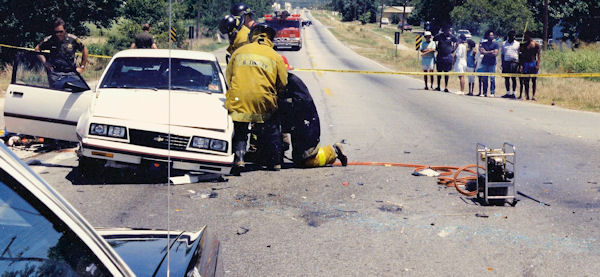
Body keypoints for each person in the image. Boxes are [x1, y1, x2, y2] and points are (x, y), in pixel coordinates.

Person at [226, 24, 287, 174]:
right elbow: (283, 83)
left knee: (240, 127)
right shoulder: (275, 56)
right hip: (263, 101)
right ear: (270, 38)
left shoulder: (238, 52)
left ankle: (239, 158)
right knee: (271, 127)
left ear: (252, 35)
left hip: (240, 98)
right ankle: (274, 162)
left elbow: (228, 77)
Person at [278, 56, 348, 168]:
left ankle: (334, 151)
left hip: (305, 124)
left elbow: (297, 107)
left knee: (306, 161)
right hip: (295, 125)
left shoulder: (293, 83)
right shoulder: (279, 84)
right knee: (298, 160)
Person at [35, 18, 88, 89]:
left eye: (60, 31)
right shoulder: (51, 39)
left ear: (65, 30)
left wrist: (82, 67)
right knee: (57, 95)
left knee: (77, 92)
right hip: (55, 73)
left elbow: (84, 49)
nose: (58, 34)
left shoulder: (72, 39)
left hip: (71, 72)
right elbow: (37, 49)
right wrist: (45, 63)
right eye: (56, 32)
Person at [433, 25, 457, 92]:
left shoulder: (451, 36)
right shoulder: (440, 36)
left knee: (446, 72)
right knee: (439, 72)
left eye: (449, 29)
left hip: (448, 56)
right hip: (440, 56)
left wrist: (453, 49)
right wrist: (436, 48)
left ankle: (446, 87)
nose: (448, 31)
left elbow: (456, 42)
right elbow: (434, 39)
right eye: (447, 29)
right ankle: (438, 86)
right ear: (444, 30)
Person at [520, 31, 541, 101]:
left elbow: (539, 55)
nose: (524, 37)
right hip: (526, 63)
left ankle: (533, 95)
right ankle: (527, 95)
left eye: (525, 36)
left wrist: (538, 64)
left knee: (534, 80)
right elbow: (522, 56)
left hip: (533, 63)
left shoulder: (536, 44)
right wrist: (522, 65)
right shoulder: (524, 45)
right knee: (526, 81)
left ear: (529, 36)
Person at [477, 30, 499, 97]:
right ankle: (484, 92)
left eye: (492, 35)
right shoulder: (484, 44)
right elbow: (482, 52)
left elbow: (495, 53)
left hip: (492, 63)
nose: (491, 36)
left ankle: (492, 92)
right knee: (484, 78)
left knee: (492, 78)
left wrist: (486, 52)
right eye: (490, 35)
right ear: (487, 36)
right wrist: (490, 52)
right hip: (485, 63)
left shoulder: (496, 44)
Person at [501, 30, 519, 98]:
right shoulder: (504, 44)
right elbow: (502, 54)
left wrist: (519, 64)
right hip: (506, 62)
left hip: (514, 63)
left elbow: (519, 54)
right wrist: (502, 64)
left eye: (514, 36)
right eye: (512, 36)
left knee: (513, 78)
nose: (513, 37)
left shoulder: (517, 44)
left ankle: (513, 93)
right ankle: (508, 93)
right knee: (507, 78)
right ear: (509, 36)